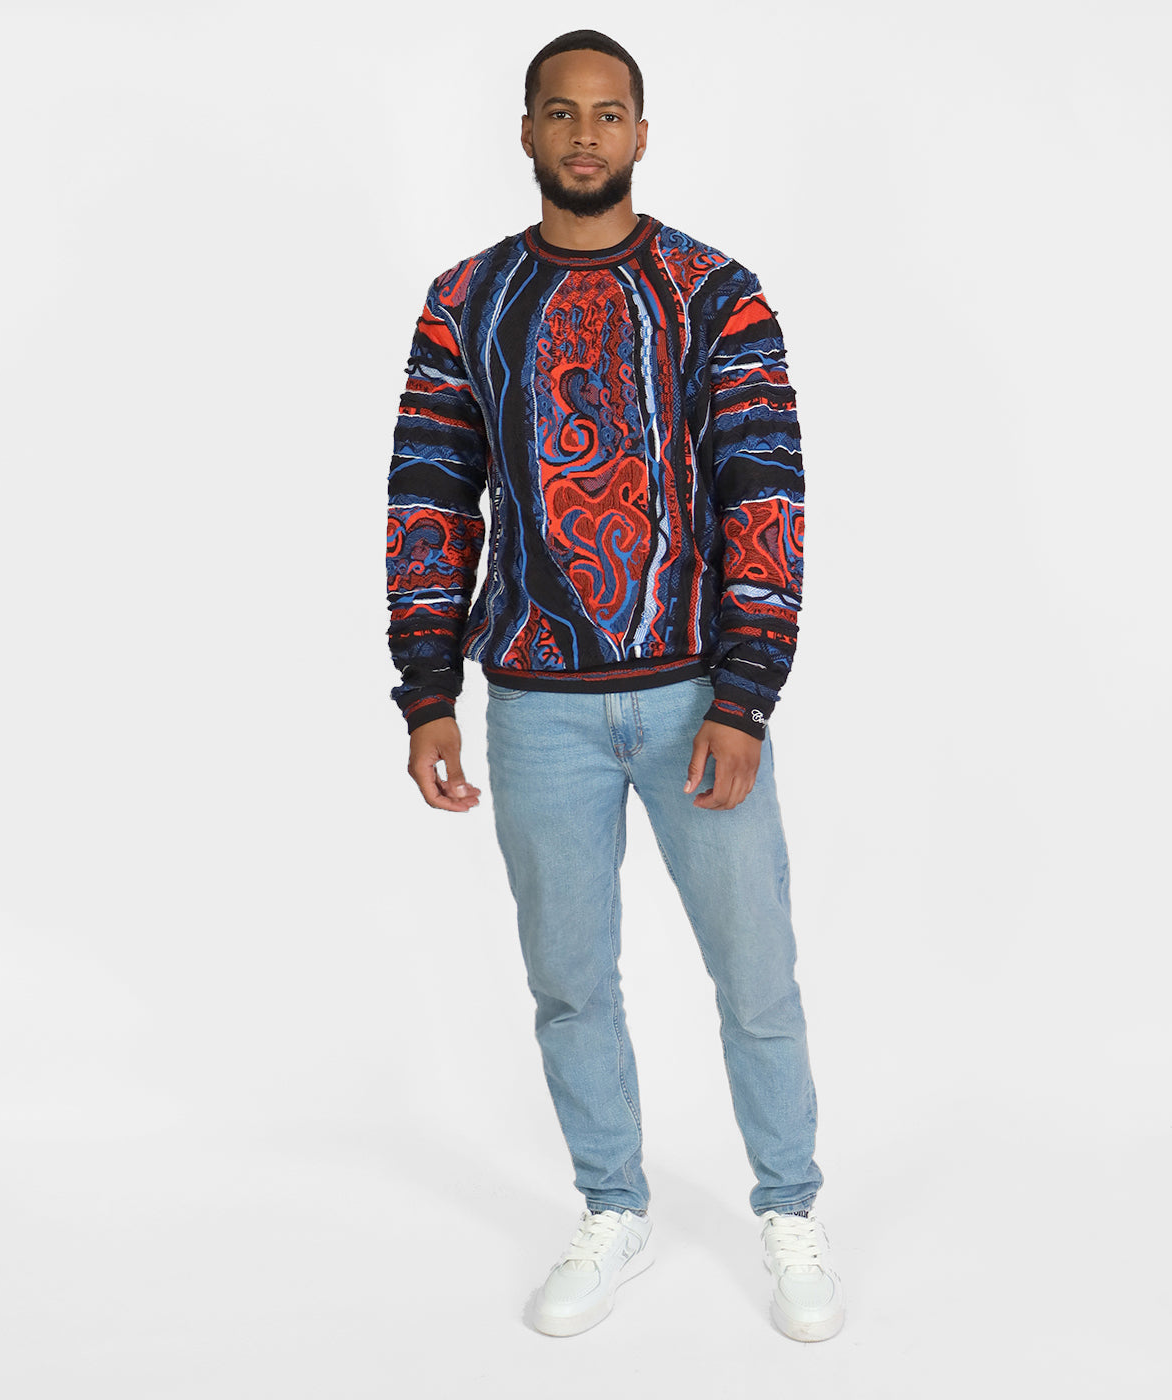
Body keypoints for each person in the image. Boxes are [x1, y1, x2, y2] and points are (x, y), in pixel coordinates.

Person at [385, 29, 843, 1342]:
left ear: (642, 133)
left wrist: (747, 695)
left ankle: (790, 1210)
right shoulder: (465, 303)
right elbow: (429, 499)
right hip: (536, 706)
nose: (584, 134)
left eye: (608, 113)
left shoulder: (715, 294)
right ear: (527, 131)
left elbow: (766, 492)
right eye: (560, 111)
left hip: (698, 697)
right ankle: (612, 1204)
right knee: (572, 982)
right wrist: (427, 691)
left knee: (757, 975)